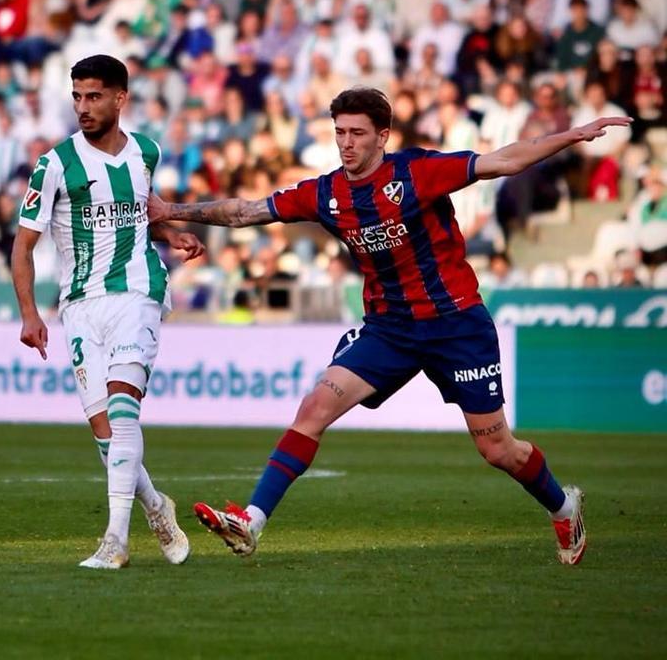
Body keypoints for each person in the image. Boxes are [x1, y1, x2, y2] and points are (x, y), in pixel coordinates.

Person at [148, 87, 631, 566]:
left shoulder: (417, 172)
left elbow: (503, 160)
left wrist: (573, 135)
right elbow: (246, 211)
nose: (346, 143)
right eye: (339, 132)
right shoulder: (328, 193)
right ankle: (251, 520)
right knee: (315, 406)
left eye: (357, 133)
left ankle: (564, 507)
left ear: (383, 136)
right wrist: (173, 211)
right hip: (389, 330)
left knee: (497, 449)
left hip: (456, 326)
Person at [12, 54, 203, 570]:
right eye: (76, 97)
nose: (83, 107)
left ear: (121, 98)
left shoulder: (146, 152)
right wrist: (30, 315)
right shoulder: (55, 165)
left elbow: (145, 210)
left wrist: (171, 233)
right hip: (79, 304)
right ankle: (157, 506)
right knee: (106, 433)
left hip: (137, 290)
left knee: (123, 411)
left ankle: (115, 541)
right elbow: (23, 246)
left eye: (93, 96)